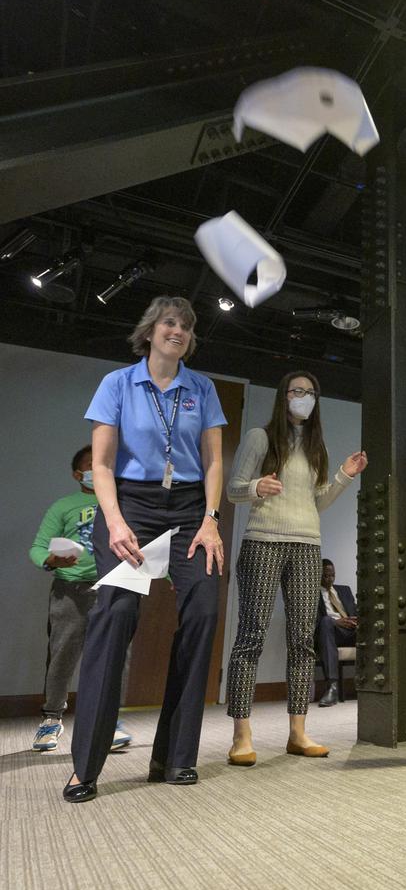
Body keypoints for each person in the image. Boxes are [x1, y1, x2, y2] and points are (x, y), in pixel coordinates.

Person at [66, 295, 226, 802]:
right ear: (150, 330)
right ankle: (85, 767)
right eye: (169, 322)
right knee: (114, 616)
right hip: (130, 506)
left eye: (185, 326)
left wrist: (211, 521)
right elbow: (104, 464)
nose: (177, 330)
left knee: (203, 606)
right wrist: (114, 522)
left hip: (189, 511)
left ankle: (175, 757)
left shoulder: (201, 388)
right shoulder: (117, 383)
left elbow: (214, 462)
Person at [224, 371, 367, 764]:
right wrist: (257, 487)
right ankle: (241, 735)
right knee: (250, 636)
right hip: (263, 542)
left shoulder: (316, 445)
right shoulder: (260, 436)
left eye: (310, 393)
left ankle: (298, 733)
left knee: (303, 641)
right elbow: (234, 489)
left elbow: (314, 503)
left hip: (307, 547)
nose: (303, 398)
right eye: (297, 391)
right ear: (283, 395)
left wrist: (343, 476)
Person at [29, 445, 131, 754]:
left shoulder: (123, 504)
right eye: (91, 465)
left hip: (113, 588)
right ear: (79, 475)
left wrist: (168, 577)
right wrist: (51, 561)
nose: (100, 469)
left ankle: (109, 721)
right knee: (62, 657)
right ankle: (51, 718)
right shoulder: (64, 506)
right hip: (71, 592)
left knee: (114, 658)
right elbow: (37, 547)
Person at [315, 558, 358, 706]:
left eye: (332, 575)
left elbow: (355, 610)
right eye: (325, 576)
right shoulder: (312, 595)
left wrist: (356, 619)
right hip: (331, 633)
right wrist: (336, 622)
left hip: (352, 631)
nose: (329, 579)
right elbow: (313, 622)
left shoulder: (344, 590)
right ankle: (332, 687)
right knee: (326, 621)